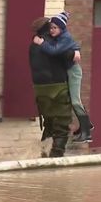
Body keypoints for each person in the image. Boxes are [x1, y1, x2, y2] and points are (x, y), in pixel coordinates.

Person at [33, 12, 94, 143]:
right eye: (51, 28)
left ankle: (87, 133)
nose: (52, 30)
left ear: (62, 28)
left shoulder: (64, 38)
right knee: (73, 100)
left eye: (55, 28)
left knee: (75, 101)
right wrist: (76, 49)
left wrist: (41, 43)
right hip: (68, 70)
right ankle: (86, 125)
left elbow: (54, 51)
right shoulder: (60, 36)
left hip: (73, 71)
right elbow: (72, 44)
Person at [29, 17, 75, 157]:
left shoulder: (33, 45)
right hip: (57, 88)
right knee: (62, 124)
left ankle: (43, 154)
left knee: (49, 124)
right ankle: (56, 156)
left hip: (40, 90)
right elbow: (69, 56)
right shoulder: (53, 43)